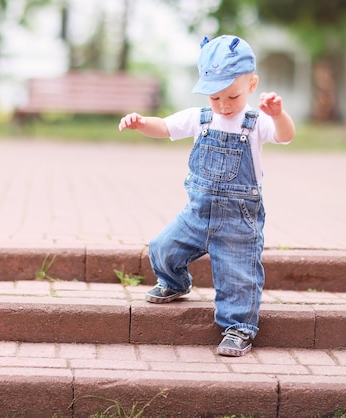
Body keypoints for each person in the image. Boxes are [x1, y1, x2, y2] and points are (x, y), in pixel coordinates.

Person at [118, 35, 295, 357]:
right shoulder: (200, 118)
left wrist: (279, 114)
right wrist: (141, 123)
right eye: (215, 98)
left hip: (238, 220)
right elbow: (164, 127)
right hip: (197, 213)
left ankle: (238, 327)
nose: (224, 105)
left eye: (233, 96)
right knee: (162, 248)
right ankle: (175, 282)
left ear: (252, 85)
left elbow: (286, 136)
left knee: (238, 275)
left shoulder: (256, 122)